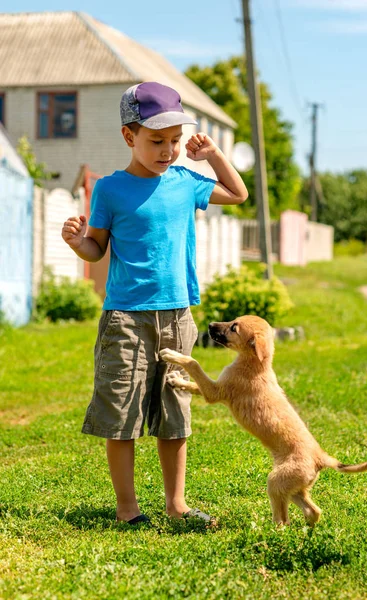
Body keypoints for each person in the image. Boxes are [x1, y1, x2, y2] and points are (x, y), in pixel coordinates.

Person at [61, 81, 248, 526]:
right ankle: (128, 510)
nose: (168, 150)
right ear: (130, 136)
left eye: (176, 141)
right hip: (125, 318)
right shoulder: (109, 190)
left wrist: (215, 157)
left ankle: (177, 505)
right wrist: (76, 243)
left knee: (175, 412)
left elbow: (238, 194)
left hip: (178, 316)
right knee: (121, 411)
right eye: (157, 140)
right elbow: (97, 251)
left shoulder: (186, 182)